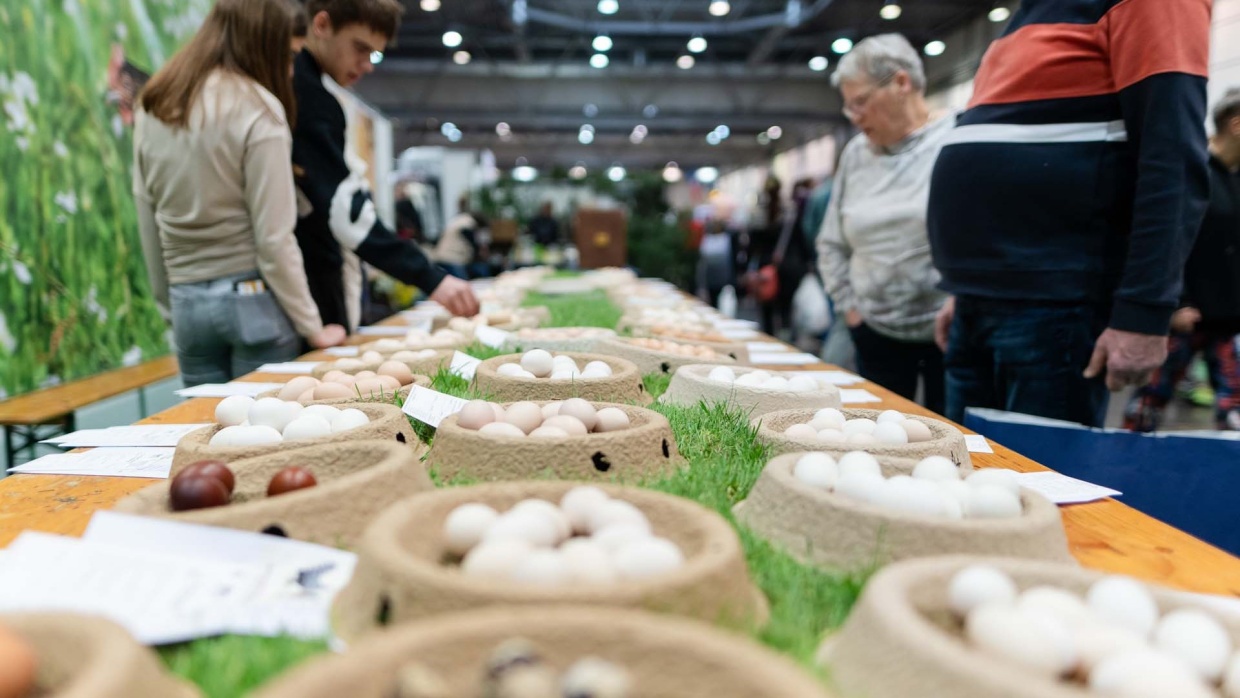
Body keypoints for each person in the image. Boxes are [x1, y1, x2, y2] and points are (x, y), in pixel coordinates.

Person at [928, 0, 1211, 427]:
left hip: (1057, 299)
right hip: (983, 298)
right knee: (963, 474)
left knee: (1042, 485)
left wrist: (1145, 312)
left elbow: (1172, 162)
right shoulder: (1033, 11)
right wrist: (968, 288)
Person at [133, 0, 345, 387]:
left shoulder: (156, 100)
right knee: (264, 439)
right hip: (252, 301)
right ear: (263, 43)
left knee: (204, 435)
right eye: (288, 55)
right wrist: (313, 326)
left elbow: (147, 218)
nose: (288, 70)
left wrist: (169, 305)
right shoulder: (259, 109)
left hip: (187, 304)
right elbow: (274, 239)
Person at [293, 0, 478, 330]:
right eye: (360, 49)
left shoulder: (304, 89)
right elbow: (344, 211)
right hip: (303, 291)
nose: (366, 66)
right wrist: (430, 277)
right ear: (321, 25)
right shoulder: (307, 95)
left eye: (373, 55)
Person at [816, 34, 951, 412]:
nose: (855, 117)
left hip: (948, 333)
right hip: (874, 331)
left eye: (861, 102)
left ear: (901, 83)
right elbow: (831, 242)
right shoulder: (857, 154)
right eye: (849, 108)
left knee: (954, 441)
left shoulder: (953, 138)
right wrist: (852, 313)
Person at [1125, 89, 1240, 432]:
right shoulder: (1192, 175)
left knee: (1234, 413)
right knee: (1146, 407)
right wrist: (1175, 303)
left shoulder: (1236, 180)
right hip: (1185, 318)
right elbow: (1166, 241)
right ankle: (1124, 474)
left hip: (1227, 322)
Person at [434, 196, 485, 279]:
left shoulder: (457, 220)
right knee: (461, 284)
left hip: (440, 256)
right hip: (453, 258)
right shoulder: (468, 223)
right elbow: (472, 244)